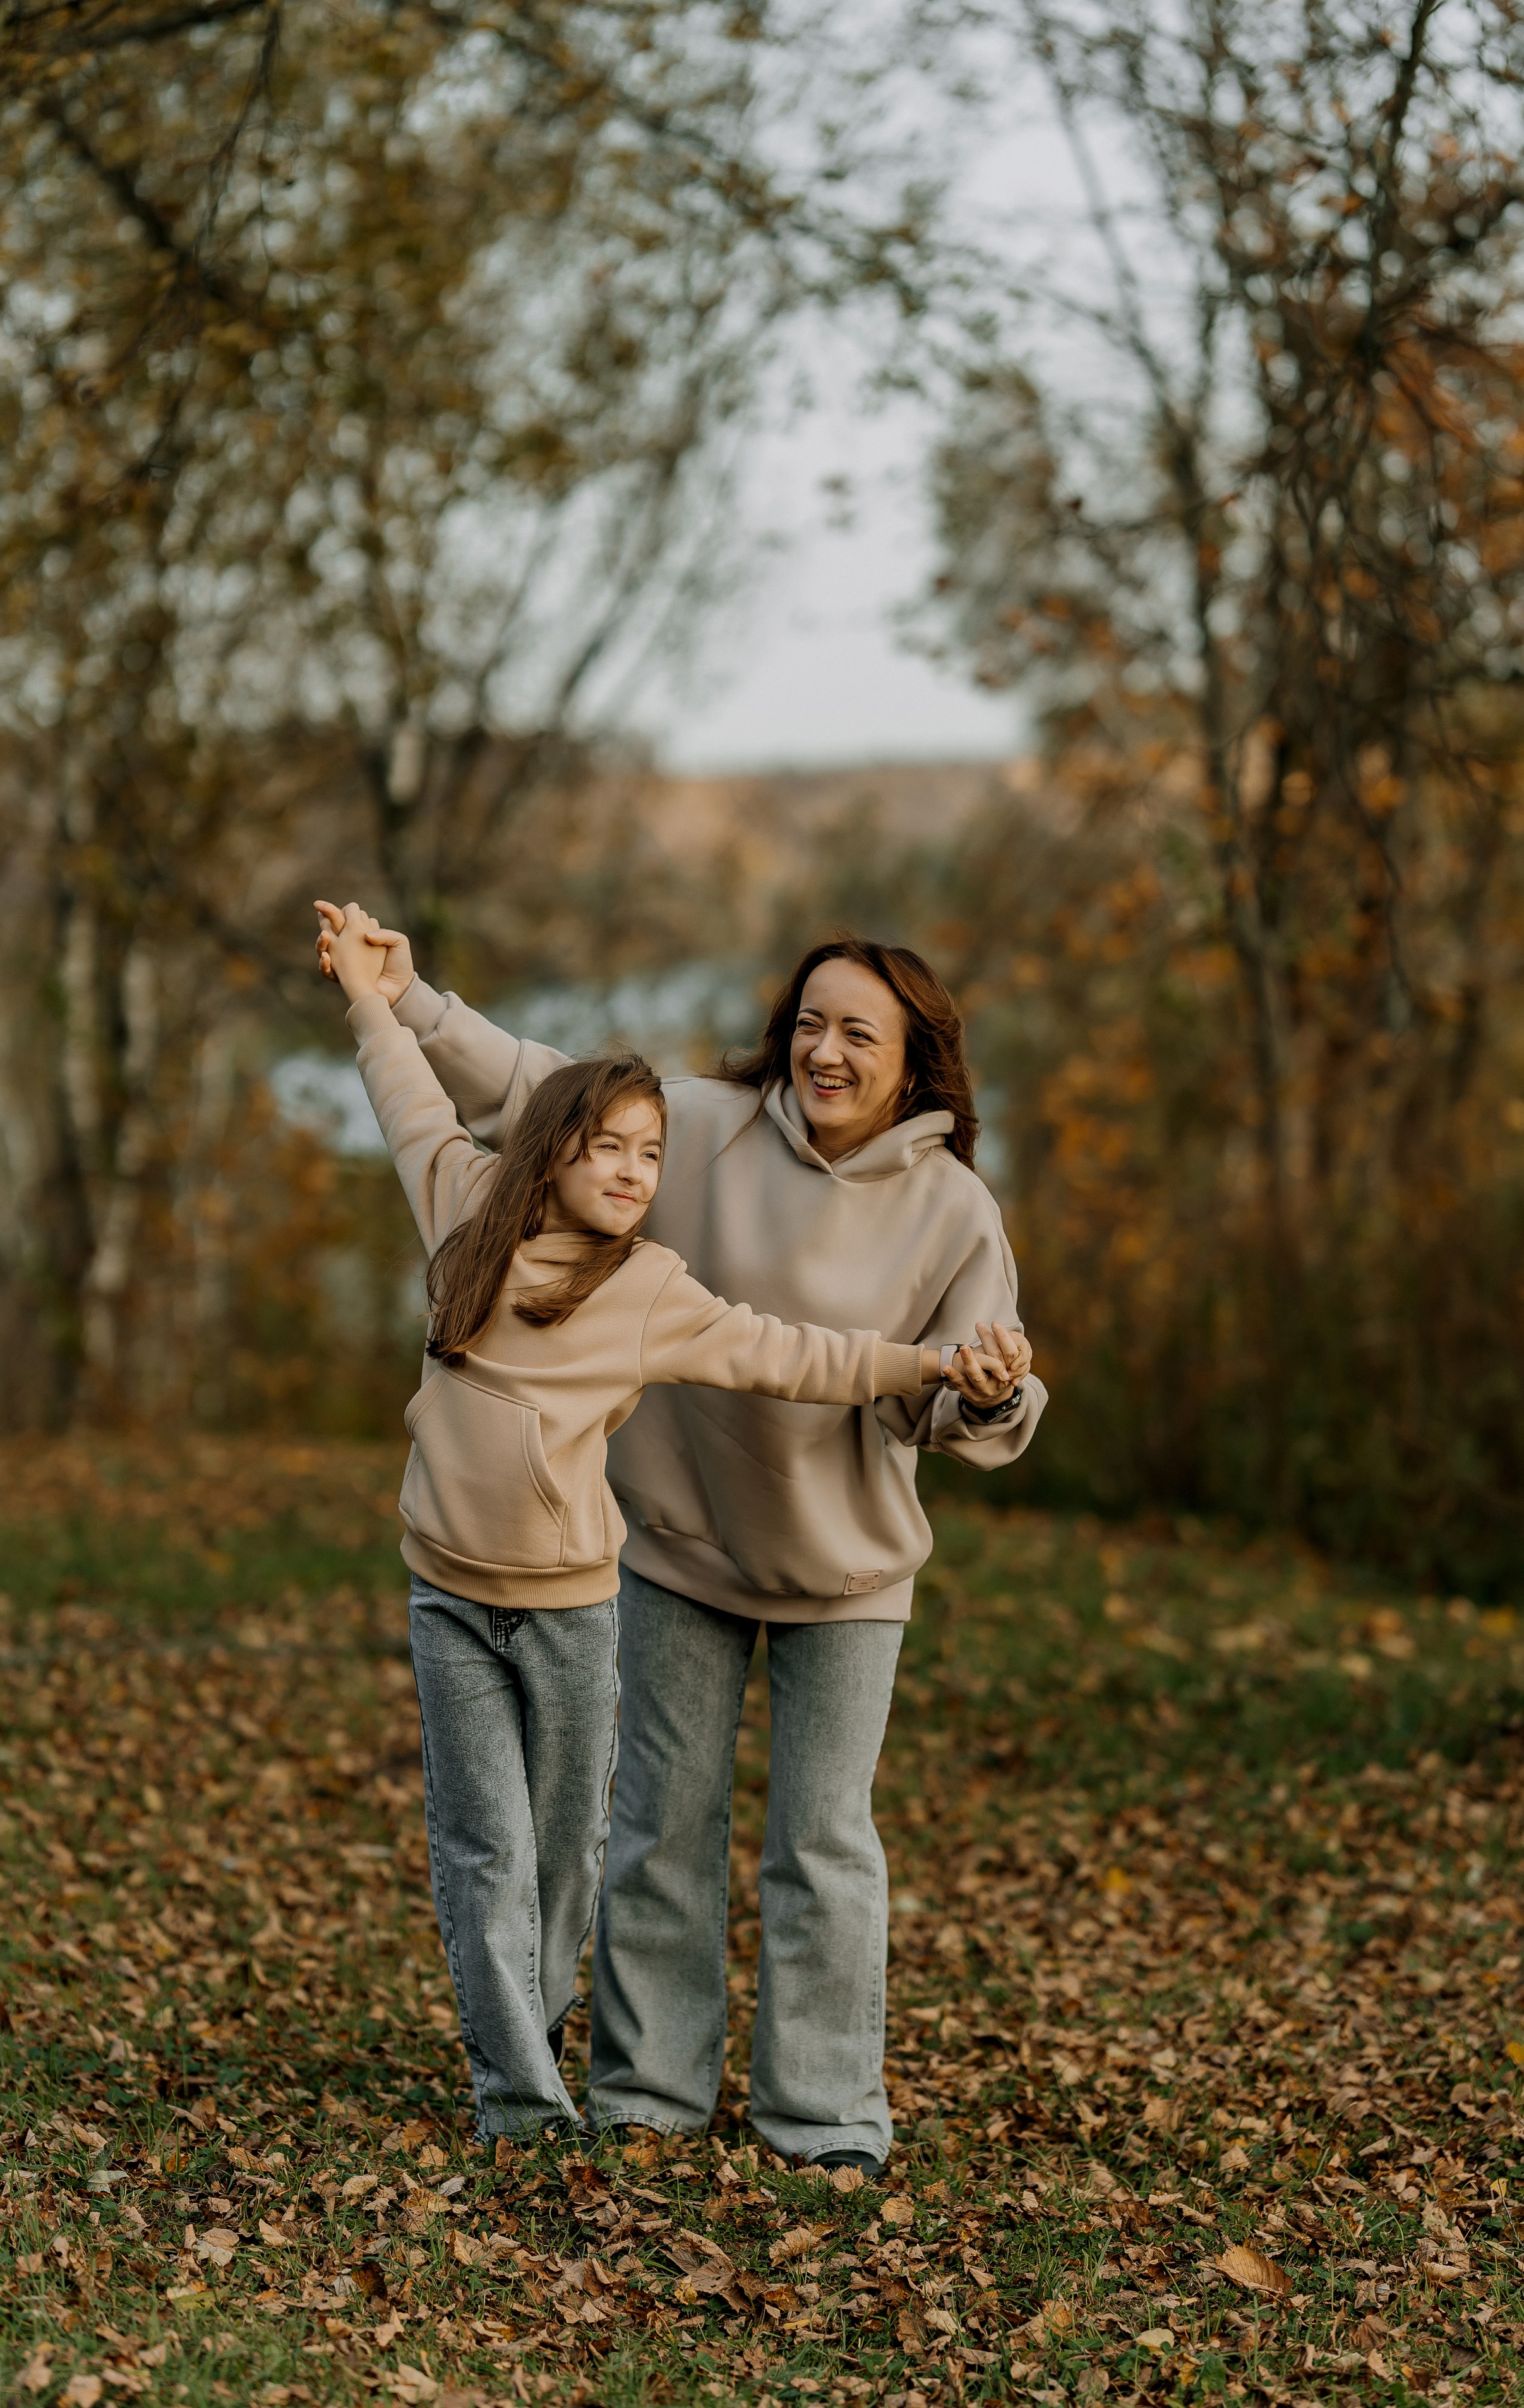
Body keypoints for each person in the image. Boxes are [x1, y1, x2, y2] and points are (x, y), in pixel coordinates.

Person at [316, 906, 1044, 2170]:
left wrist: (980, 1386)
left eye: (854, 1033)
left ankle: (820, 2122)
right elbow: (544, 1094)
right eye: (806, 1023)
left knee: (822, 1848)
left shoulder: (953, 1211)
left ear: (914, 1060)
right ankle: (648, 2096)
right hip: (676, 1547)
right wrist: (413, 1003)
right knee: (659, 1828)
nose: (822, 1050)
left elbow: (963, 1393)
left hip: (848, 1565)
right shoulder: (698, 1131)